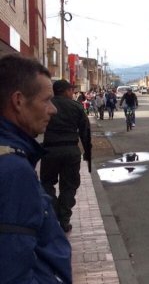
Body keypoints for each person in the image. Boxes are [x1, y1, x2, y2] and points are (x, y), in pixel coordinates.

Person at [0, 54, 72, 283]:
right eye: (46, 100)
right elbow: (14, 270)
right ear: (19, 101)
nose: (53, 110)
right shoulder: (13, 170)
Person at [39, 79, 92, 234]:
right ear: (65, 91)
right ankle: (64, 219)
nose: (72, 93)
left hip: (49, 151)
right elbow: (85, 132)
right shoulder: (75, 106)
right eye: (71, 90)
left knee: (47, 183)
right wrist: (87, 153)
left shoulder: (46, 105)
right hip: (70, 151)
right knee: (69, 186)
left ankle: (54, 213)